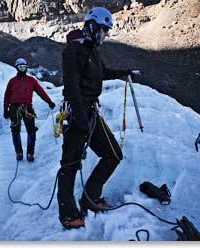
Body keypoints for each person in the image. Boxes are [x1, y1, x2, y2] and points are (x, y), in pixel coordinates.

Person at [57, 7, 141, 230]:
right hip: (77, 114)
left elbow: (101, 73)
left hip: (91, 112)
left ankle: (90, 198)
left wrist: (125, 72)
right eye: (105, 30)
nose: (107, 35)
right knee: (70, 164)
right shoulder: (73, 51)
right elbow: (72, 86)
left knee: (113, 154)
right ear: (93, 26)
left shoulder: (92, 50)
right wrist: (81, 120)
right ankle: (67, 214)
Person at [3, 58, 56, 162]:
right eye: (20, 67)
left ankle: (30, 153)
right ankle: (19, 152)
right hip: (14, 107)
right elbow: (7, 96)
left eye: (24, 66)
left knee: (31, 130)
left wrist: (49, 101)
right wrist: (5, 109)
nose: (22, 68)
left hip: (27, 107)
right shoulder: (12, 81)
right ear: (17, 68)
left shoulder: (31, 80)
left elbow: (41, 92)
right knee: (15, 130)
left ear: (26, 67)